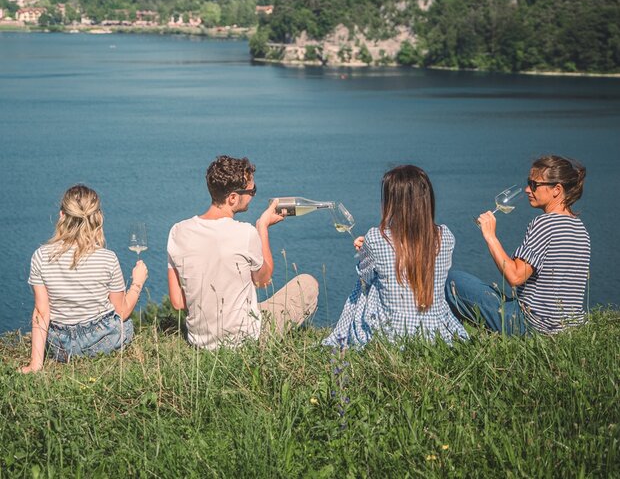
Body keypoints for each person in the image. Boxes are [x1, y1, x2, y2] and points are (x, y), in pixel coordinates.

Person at [167, 155, 319, 349]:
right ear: (232, 198)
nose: (254, 195)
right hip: (244, 341)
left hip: (199, 342)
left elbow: (178, 302)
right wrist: (262, 227)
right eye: (251, 190)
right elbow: (263, 280)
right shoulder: (245, 233)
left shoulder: (178, 231)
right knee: (308, 284)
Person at [324, 164, 468, 348]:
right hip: (436, 332)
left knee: (365, 285)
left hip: (390, 334)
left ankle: (341, 336)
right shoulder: (445, 237)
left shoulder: (376, 238)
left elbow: (365, 280)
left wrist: (365, 254)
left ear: (394, 204)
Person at [446, 155, 590, 335]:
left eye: (535, 184)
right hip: (568, 328)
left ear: (557, 190)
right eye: (528, 182)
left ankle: (454, 337)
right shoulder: (580, 228)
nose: (527, 189)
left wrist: (491, 237)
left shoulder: (544, 224)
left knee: (452, 280)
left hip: (532, 325)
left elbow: (515, 276)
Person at [21, 184, 147, 372]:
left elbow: (41, 312)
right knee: (126, 324)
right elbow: (122, 312)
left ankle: (39, 363)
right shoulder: (107, 258)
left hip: (60, 347)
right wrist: (137, 282)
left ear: (62, 216)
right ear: (98, 217)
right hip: (103, 341)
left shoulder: (40, 256)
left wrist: (35, 363)